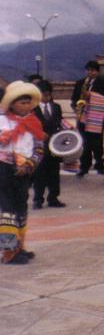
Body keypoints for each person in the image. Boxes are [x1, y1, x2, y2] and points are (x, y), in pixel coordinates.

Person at [0, 81, 45, 264]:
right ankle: (8, 250)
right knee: (8, 210)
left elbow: (39, 148)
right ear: (11, 104)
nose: (26, 106)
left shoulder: (34, 123)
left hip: (24, 170)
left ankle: (19, 246)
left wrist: (29, 164)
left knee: (21, 207)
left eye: (28, 102)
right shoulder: (2, 121)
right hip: (4, 169)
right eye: (22, 102)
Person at [32, 80, 70, 209]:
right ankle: (38, 199)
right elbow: (28, 125)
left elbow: (61, 121)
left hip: (55, 145)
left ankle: (53, 197)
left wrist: (69, 129)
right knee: (39, 173)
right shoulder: (32, 109)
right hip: (39, 145)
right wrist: (39, 133)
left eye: (48, 95)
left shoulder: (56, 107)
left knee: (54, 172)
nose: (46, 97)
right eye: (44, 95)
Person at [70, 60, 104, 176]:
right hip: (83, 116)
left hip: (96, 118)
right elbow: (74, 98)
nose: (90, 73)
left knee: (97, 143)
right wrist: (77, 107)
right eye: (88, 70)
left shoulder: (103, 83)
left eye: (92, 70)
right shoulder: (80, 83)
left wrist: (91, 96)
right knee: (84, 143)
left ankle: (100, 165)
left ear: (97, 72)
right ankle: (84, 166)